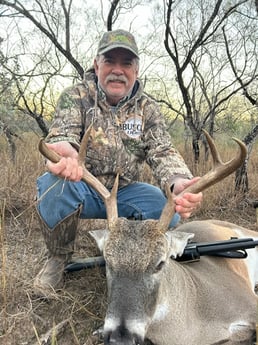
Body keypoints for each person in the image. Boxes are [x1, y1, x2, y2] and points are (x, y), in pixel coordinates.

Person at [34, 29, 203, 297]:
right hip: (83, 186)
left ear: (136, 70)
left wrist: (178, 182)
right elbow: (62, 134)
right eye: (110, 61)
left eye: (126, 63)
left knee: (169, 210)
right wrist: (65, 154)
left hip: (125, 191)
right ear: (96, 64)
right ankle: (58, 259)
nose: (117, 70)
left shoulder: (148, 108)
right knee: (54, 186)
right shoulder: (75, 96)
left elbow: (162, 150)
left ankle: (131, 252)